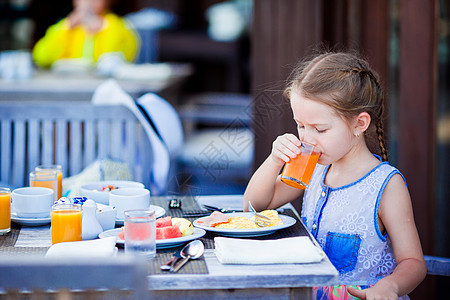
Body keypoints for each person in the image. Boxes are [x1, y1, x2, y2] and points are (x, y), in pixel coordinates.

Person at [243, 51, 426, 299]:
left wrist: (390, 286)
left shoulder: (385, 185)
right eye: (300, 125)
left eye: (320, 129)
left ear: (359, 124)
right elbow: (254, 205)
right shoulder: (314, 168)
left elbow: (414, 262)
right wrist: (274, 160)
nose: (306, 138)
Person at [32, 0, 140, 69]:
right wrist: (66, 27)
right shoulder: (66, 26)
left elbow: (121, 58)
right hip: (68, 84)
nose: (89, 2)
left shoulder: (117, 26)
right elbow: (41, 57)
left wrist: (104, 27)